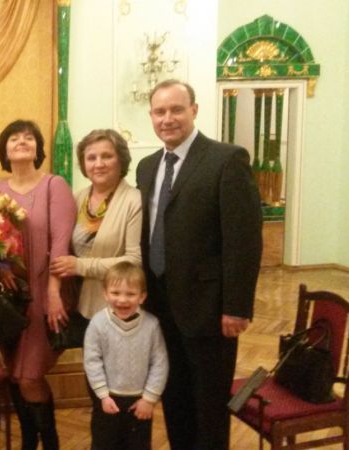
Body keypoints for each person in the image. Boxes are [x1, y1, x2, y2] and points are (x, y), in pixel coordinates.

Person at [135, 79, 262, 449]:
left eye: (176, 109)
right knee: (174, 397)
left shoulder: (226, 159)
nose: (168, 118)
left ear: (194, 110)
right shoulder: (146, 167)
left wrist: (237, 306)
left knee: (209, 405)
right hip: (159, 304)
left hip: (209, 309)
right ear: (151, 116)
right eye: (160, 111)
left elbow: (243, 240)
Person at [0, 119, 76, 450]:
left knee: (29, 376)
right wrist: (0, 267)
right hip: (12, 297)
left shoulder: (55, 185)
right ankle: (30, 441)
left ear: (38, 148)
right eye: (14, 138)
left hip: (46, 292)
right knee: (14, 374)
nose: (22, 141)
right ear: (4, 150)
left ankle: (51, 442)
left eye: (29, 137)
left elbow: (61, 242)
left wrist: (54, 292)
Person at [50, 129, 142, 318]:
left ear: (121, 160)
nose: (98, 164)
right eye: (91, 158)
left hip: (116, 307)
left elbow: (134, 261)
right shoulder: (76, 198)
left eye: (107, 156)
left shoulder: (134, 200)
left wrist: (80, 266)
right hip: (75, 302)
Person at [83, 261, 168, 450]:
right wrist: (103, 395)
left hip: (140, 401)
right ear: (105, 293)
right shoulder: (97, 324)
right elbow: (92, 362)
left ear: (142, 297)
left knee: (138, 445)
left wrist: (149, 399)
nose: (122, 300)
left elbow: (160, 364)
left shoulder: (152, 325)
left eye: (130, 294)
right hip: (108, 399)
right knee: (104, 444)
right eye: (115, 293)